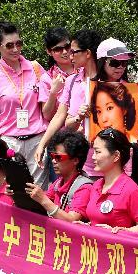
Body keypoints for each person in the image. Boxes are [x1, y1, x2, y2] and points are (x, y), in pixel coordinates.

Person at [0, 21, 52, 184]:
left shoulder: (35, 68)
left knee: (39, 190)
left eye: (19, 43)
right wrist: (0, 145)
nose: (16, 49)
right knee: (15, 189)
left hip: (37, 140)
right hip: (10, 142)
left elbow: (47, 106)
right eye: (9, 45)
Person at [36, 29, 101, 175]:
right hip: (79, 159)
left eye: (73, 51)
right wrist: (42, 145)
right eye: (59, 49)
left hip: (105, 159)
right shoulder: (71, 81)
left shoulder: (108, 82)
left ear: (88, 53)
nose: (68, 55)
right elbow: (59, 117)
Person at [82, 128, 138, 229]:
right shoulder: (96, 185)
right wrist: (87, 226)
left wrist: (119, 232)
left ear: (116, 156)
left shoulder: (132, 191)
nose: (93, 157)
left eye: (98, 152)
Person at [25, 130, 94, 220]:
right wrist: (18, 194)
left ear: (75, 160)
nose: (53, 161)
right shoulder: (58, 183)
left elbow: (72, 220)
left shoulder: (84, 187)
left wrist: (43, 199)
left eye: (58, 157)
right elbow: (38, 206)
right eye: (52, 156)